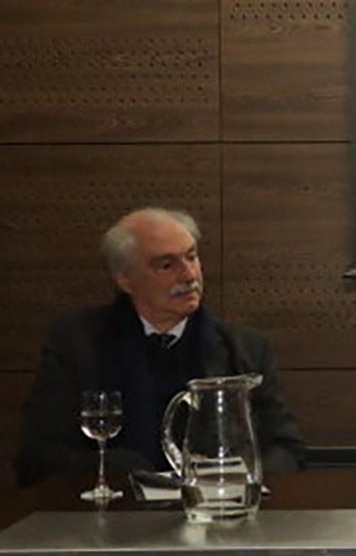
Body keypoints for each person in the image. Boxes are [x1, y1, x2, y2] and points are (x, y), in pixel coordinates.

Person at [15, 207, 307, 486]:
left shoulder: (245, 348)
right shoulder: (78, 343)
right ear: (125, 279)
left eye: (192, 257)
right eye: (167, 265)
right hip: (115, 513)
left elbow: (287, 450)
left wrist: (240, 477)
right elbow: (37, 459)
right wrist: (119, 469)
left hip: (217, 510)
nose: (189, 275)